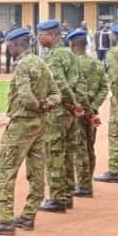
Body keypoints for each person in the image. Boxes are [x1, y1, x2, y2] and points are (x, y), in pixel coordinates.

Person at [0, 27, 58, 235]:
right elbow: (56, 94)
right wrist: (45, 105)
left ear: (15, 44)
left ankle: (5, 220)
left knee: (7, 170)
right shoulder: (41, 64)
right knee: (37, 170)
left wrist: (36, 105)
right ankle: (28, 216)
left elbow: (24, 96)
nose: (8, 48)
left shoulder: (23, 66)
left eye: (9, 44)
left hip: (22, 124)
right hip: (40, 125)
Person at [37, 20, 82, 212]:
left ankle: (57, 198)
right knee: (67, 154)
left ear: (54, 36)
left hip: (58, 112)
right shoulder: (69, 54)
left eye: (42, 34)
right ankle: (68, 193)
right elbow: (78, 83)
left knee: (54, 154)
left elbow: (61, 86)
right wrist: (76, 106)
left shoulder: (55, 57)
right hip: (69, 113)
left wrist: (71, 103)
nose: (39, 38)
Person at [68, 29, 107, 198]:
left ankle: (83, 185)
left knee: (78, 149)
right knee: (89, 147)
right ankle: (87, 181)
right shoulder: (96, 63)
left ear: (72, 44)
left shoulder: (71, 64)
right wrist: (94, 106)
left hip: (74, 111)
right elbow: (104, 88)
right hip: (91, 111)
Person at [95, 25, 118, 183]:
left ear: (115, 37)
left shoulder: (114, 53)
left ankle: (115, 169)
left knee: (116, 133)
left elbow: (115, 76)